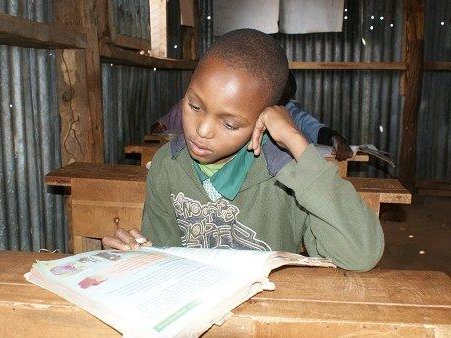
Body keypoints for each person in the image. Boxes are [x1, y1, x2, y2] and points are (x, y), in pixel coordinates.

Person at [103, 29, 383, 271]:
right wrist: (136, 252)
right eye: (194, 106)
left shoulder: (289, 175)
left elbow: (361, 255)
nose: (202, 130)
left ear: (262, 121)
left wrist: (296, 141)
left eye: (229, 123)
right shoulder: (167, 165)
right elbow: (164, 256)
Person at [151, 72, 354, 161]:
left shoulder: (291, 113)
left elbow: (314, 128)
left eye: (281, 101)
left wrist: (336, 139)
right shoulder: (239, 107)